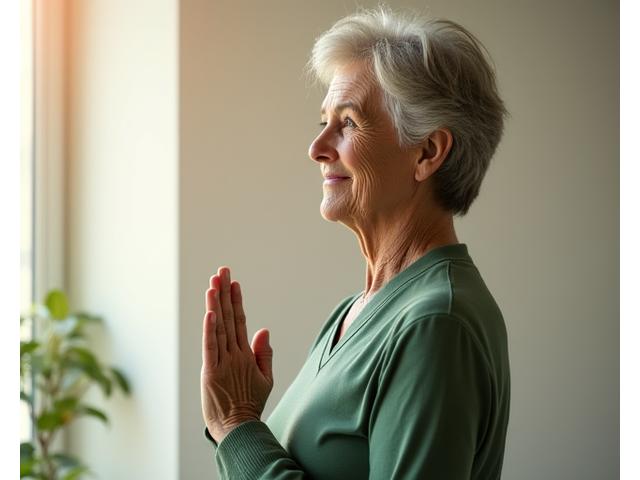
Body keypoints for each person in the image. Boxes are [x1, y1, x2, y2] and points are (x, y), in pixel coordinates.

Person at [200, 6, 510, 479]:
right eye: (322, 121)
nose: (317, 147)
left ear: (427, 152)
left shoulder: (434, 323)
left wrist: (237, 426)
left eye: (347, 123)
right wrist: (241, 423)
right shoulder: (356, 310)